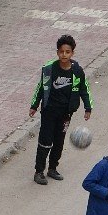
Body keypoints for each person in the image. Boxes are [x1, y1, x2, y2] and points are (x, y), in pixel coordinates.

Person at [29, 34, 94, 185]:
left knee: (59, 142)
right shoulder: (49, 70)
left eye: (67, 52)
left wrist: (88, 107)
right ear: (57, 52)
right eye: (61, 52)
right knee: (45, 142)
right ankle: (39, 171)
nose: (64, 55)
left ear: (72, 53)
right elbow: (40, 88)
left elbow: (85, 89)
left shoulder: (77, 71)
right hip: (49, 112)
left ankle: (52, 168)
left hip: (65, 114)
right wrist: (34, 106)